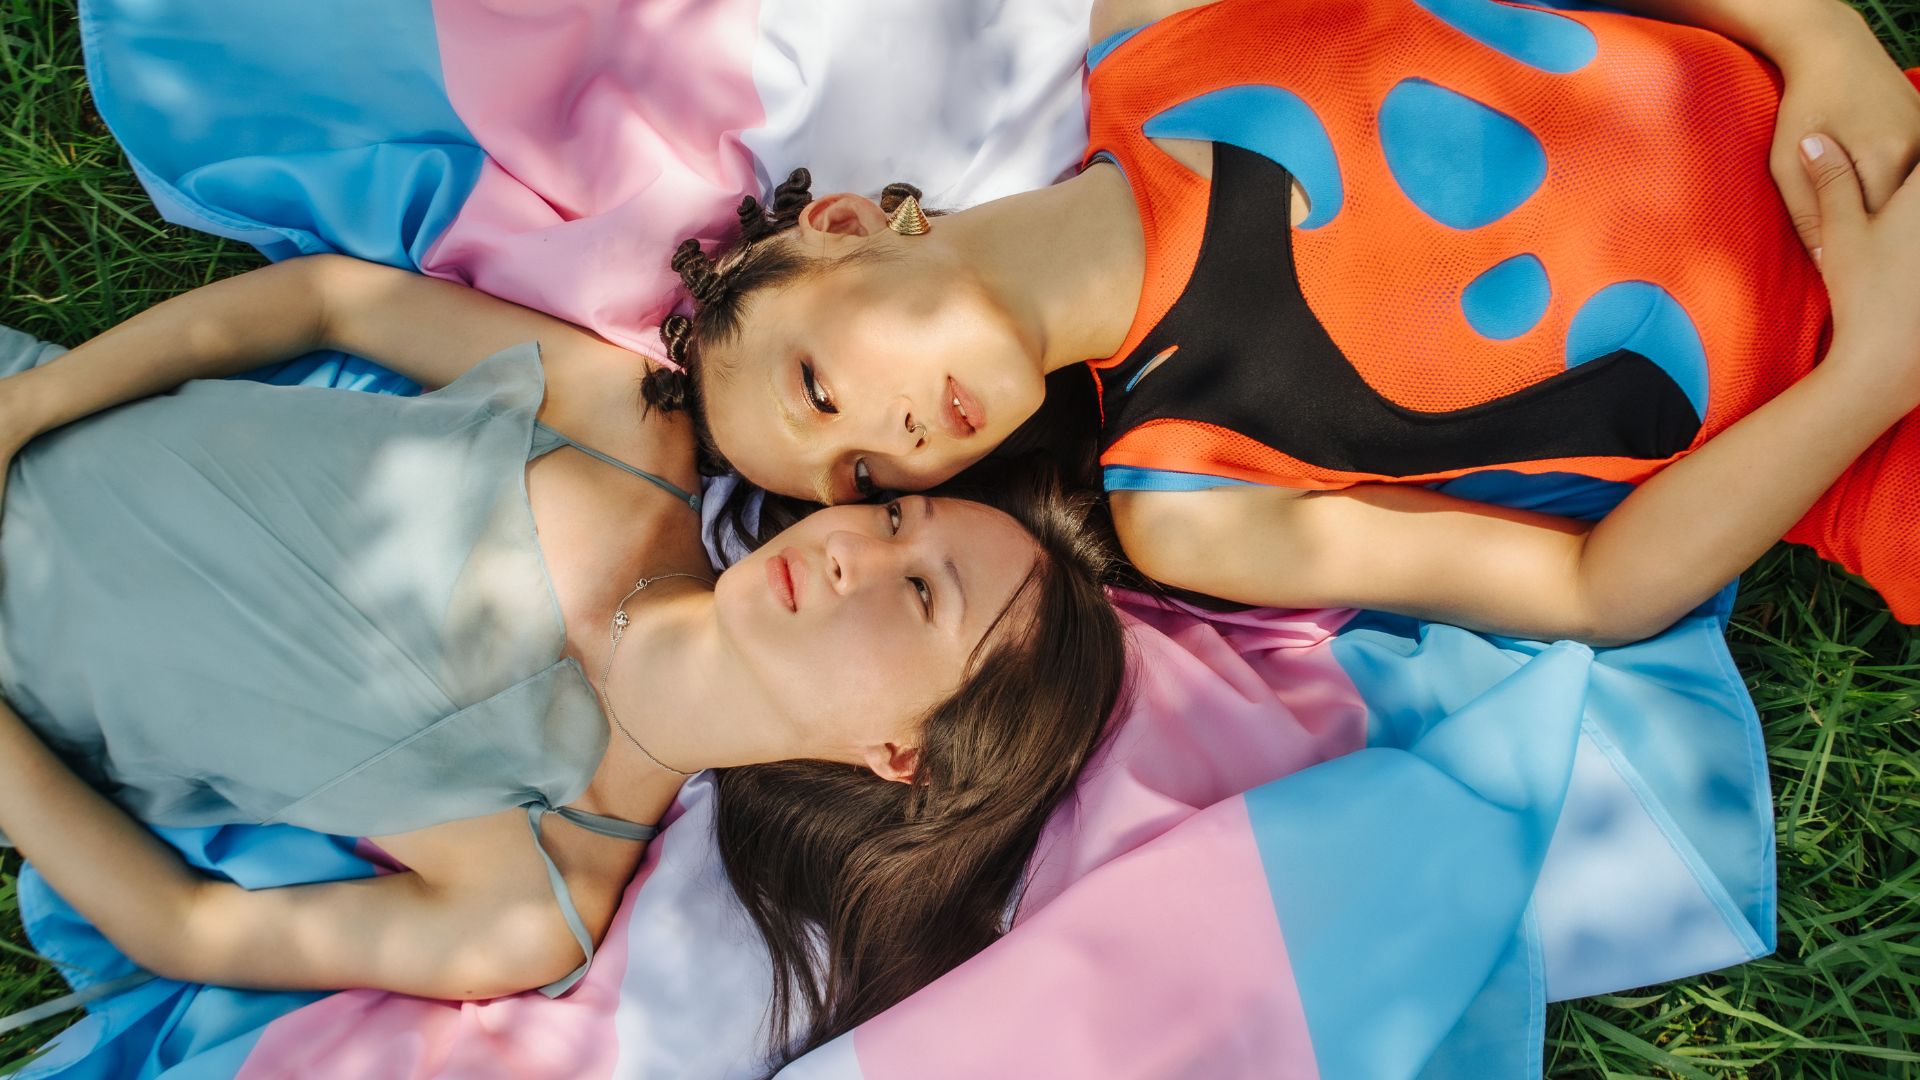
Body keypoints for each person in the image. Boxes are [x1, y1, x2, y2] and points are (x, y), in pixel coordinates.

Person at [0, 255, 1126, 1064]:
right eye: (891, 520)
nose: (848, 551)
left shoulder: (538, 895)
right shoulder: (633, 437)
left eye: (921, 593)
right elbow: (329, 300)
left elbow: (180, 925)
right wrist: (27, 409)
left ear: (902, 753)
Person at [651, 0, 1920, 643]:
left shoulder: (1163, 24)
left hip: (1867, 134)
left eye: (822, 389)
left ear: (842, 230)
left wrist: (1820, 33)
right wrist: (1872, 368)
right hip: (1874, 451)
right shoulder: (1188, 508)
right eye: (861, 477)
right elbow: (1595, 588)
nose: (895, 438)